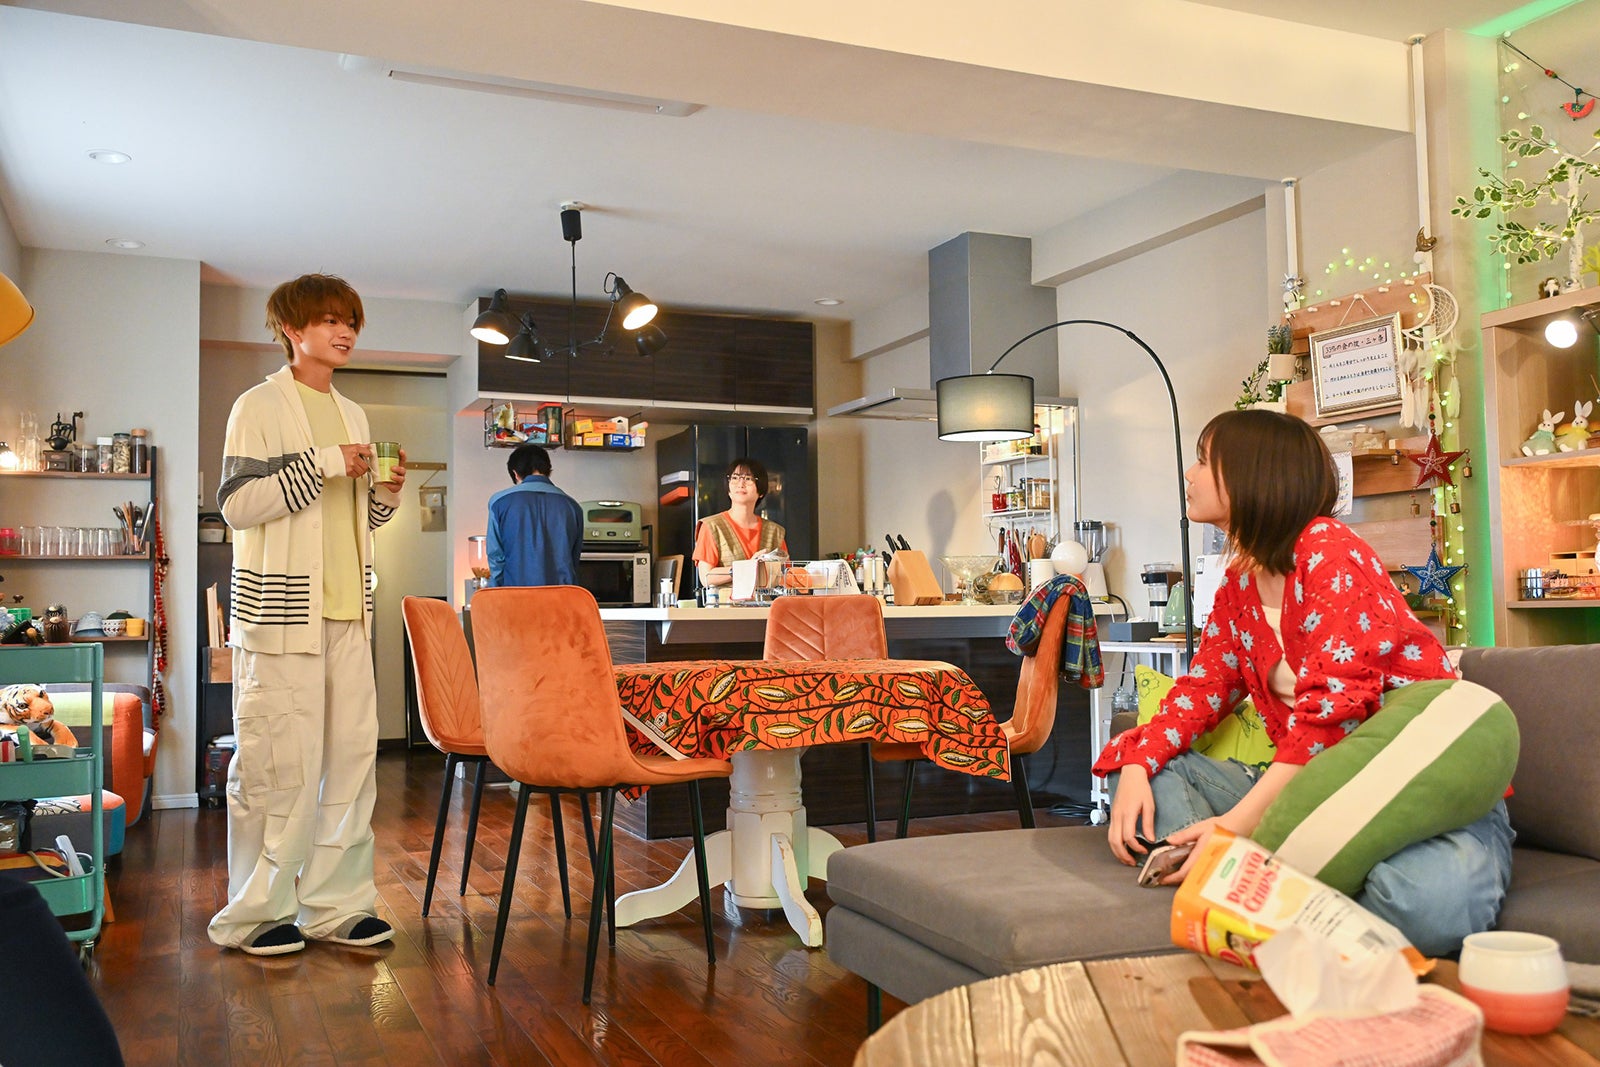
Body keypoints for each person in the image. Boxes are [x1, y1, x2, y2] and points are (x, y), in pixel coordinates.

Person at [1095, 409, 1513, 956]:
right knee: (1148, 775)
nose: (1189, 475)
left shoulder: (1328, 549)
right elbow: (1201, 691)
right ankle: (1280, 879)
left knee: (1426, 908)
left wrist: (1234, 826)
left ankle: (1253, 881)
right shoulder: (1239, 584)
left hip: (1407, 787)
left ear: (1253, 473)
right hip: (1307, 791)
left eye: (1203, 460)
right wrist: (1136, 763)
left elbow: (1330, 720)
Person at [207, 274, 405, 957]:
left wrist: (384, 495)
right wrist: (323, 463)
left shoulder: (354, 413)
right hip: (280, 618)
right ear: (292, 329)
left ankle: (338, 906)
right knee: (273, 766)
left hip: (350, 617)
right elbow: (236, 504)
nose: (344, 331)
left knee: (351, 764)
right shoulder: (257, 405)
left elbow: (356, 523)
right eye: (328, 320)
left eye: (350, 321)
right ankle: (257, 912)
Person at [485, 442, 583, 587]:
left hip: (515, 594)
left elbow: (496, 557)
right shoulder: (573, 506)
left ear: (515, 474)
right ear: (548, 470)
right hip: (561, 596)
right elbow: (573, 560)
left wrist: (496, 591)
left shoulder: (499, 502)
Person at [693, 457, 788, 587]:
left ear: (761, 491)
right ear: (728, 489)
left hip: (765, 600)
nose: (740, 483)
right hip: (725, 599)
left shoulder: (775, 531)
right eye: (735, 478)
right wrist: (745, 568)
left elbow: (785, 574)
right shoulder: (711, 526)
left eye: (748, 478)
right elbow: (706, 577)